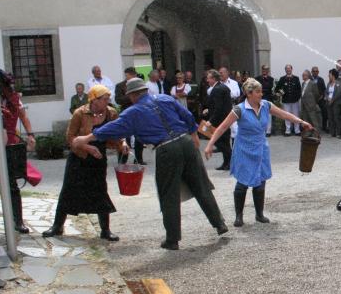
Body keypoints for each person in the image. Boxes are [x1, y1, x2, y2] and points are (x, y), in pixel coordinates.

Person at [72, 78, 227, 250]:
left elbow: (113, 128)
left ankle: (172, 239)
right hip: (186, 143)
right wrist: (194, 135)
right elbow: (188, 115)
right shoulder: (165, 98)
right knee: (201, 186)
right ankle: (219, 223)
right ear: (145, 90)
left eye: (129, 96)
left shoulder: (134, 111)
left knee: (169, 193)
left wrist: (87, 138)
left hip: (166, 148)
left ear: (133, 95)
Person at [204, 78, 312, 227]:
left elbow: (283, 114)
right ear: (249, 94)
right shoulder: (239, 109)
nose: (261, 94)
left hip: (261, 147)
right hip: (244, 148)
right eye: (258, 92)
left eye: (261, 91)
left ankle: (259, 214)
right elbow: (222, 127)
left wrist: (300, 122)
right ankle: (239, 216)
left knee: (260, 182)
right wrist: (210, 144)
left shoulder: (266, 105)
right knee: (242, 183)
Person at [43, 85, 127, 240]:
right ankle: (57, 226)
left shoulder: (111, 112)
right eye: (104, 99)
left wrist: (122, 143)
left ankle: (105, 230)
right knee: (68, 190)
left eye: (108, 99)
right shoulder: (80, 113)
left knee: (100, 191)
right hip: (79, 157)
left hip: (98, 159)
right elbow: (70, 138)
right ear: (94, 99)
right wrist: (87, 147)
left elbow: (118, 132)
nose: (107, 102)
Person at [0, 68, 35, 233]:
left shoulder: (13, 97)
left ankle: (17, 221)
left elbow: (23, 116)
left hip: (9, 144)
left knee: (11, 185)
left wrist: (30, 134)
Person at [203, 69, 233, 170]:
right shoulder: (222, 87)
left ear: (213, 78)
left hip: (221, 120)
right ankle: (226, 163)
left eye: (208, 78)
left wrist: (210, 121)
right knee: (224, 142)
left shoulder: (217, 89)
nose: (207, 80)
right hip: (224, 119)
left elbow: (219, 108)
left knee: (221, 142)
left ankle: (231, 162)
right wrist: (209, 109)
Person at [115, 67, 145, 165]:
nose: (133, 76)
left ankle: (138, 159)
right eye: (130, 74)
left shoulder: (139, 84)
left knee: (139, 137)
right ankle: (123, 159)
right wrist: (131, 96)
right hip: (126, 112)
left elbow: (143, 96)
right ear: (126, 75)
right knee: (124, 137)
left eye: (134, 74)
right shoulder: (120, 86)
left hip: (138, 112)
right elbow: (118, 100)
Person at [276, 64, 302, 136]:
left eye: (289, 69)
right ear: (285, 70)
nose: (288, 70)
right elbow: (277, 89)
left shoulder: (296, 78)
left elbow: (299, 89)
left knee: (296, 115)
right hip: (286, 101)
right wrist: (281, 93)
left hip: (295, 101)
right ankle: (288, 130)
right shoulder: (282, 79)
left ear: (291, 69)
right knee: (287, 115)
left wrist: (297, 97)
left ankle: (297, 130)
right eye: (287, 69)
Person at [326, 70, 341, 138]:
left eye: (330, 75)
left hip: (336, 103)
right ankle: (332, 132)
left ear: (333, 76)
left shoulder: (338, 83)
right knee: (330, 118)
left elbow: (338, 93)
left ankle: (338, 132)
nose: (328, 76)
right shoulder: (328, 84)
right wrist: (327, 98)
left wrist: (332, 100)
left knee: (336, 118)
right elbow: (326, 92)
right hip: (329, 103)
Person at [311, 66, 327, 132]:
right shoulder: (309, 79)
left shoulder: (321, 79)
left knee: (324, 113)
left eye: (316, 71)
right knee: (312, 114)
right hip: (312, 100)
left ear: (318, 72)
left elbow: (324, 89)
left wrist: (322, 96)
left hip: (320, 99)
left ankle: (324, 127)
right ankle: (312, 127)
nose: (315, 72)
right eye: (314, 71)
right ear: (311, 72)